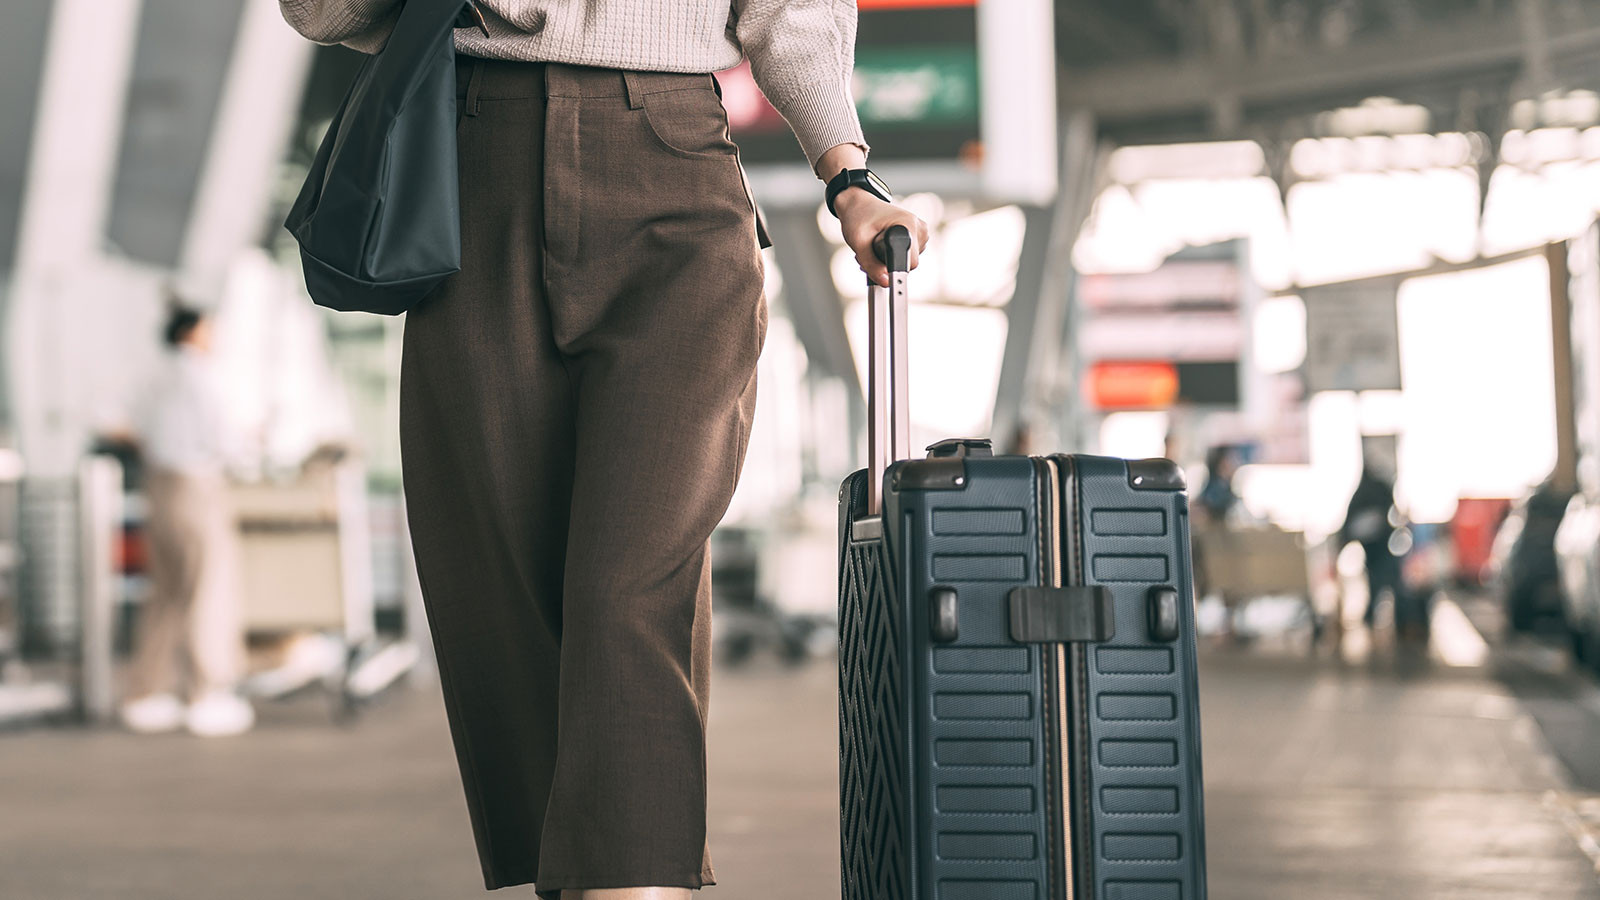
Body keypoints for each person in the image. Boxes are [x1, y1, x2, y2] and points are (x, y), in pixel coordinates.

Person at [279, 3, 929, 899]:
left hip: (674, 175)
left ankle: (629, 881)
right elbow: (325, 13)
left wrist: (847, 171)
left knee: (630, 582)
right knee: (502, 584)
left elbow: (793, 11)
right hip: (468, 175)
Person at [119, 305, 254, 737]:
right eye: (209, 329)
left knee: (166, 591)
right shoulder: (204, 378)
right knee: (208, 588)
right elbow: (227, 442)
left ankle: (148, 692)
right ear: (191, 332)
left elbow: (131, 428)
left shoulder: (152, 376)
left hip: (159, 487)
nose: (214, 337)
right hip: (197, 486)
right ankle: (207, 692)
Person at [1339, 458, 1402, 629]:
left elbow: (1349, 521)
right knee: (1387, 583)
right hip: (1381, 547)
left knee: (1376, 582)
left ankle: (1372, 617)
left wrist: (1343, 542)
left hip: (1374, 548)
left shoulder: (1362, 491)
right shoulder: (1380, 488)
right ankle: (1393, 620)